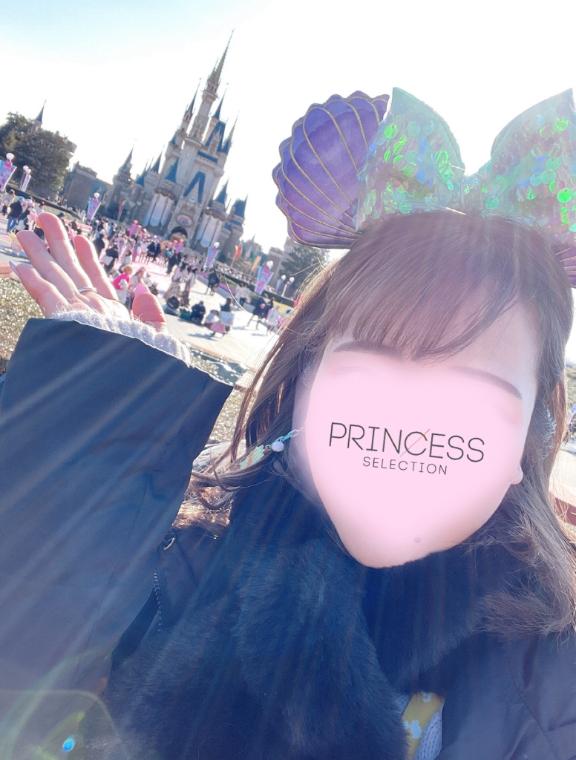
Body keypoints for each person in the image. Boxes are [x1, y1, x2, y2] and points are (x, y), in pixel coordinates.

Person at [2, 86, 576, 760]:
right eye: (368, 376)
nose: (406, 434)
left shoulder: (555, 695)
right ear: (306, 380)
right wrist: (98, 445)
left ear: (533, 437)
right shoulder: (180, 550)